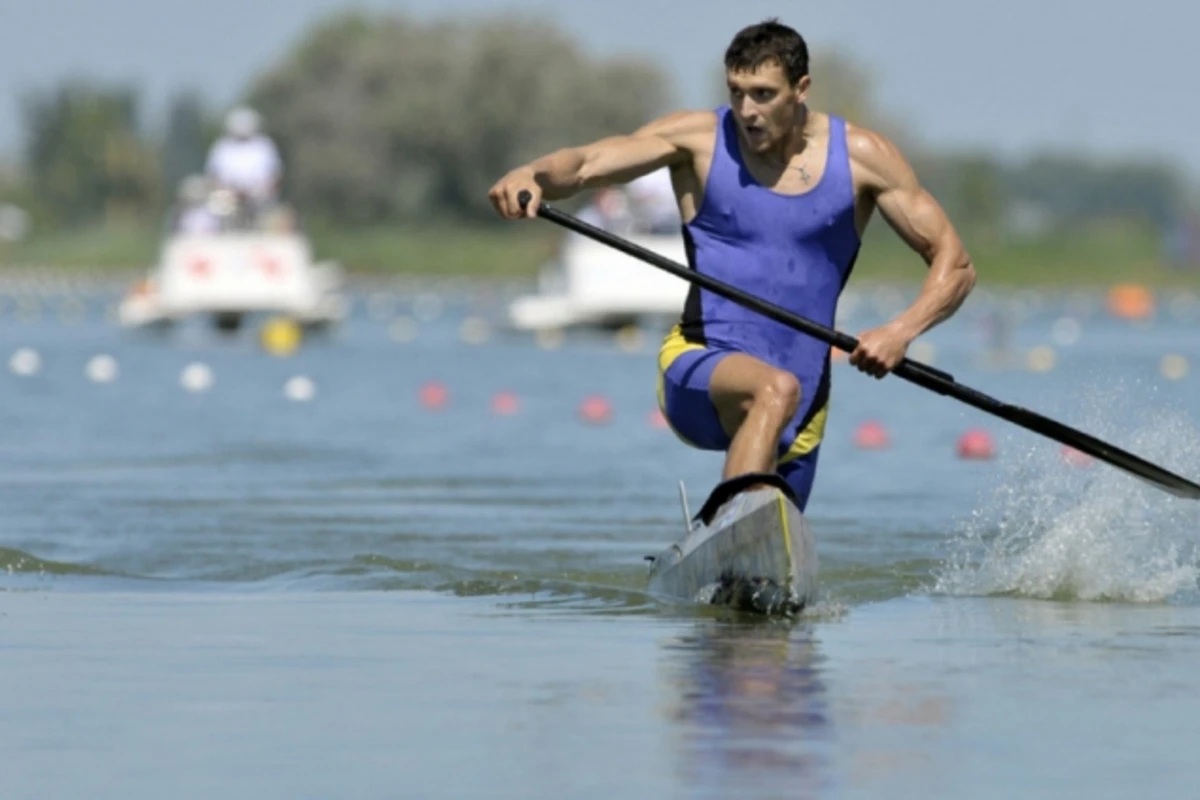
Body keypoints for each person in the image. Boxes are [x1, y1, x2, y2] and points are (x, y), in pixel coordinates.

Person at [488, 19, 976, 511]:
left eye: (763, 94)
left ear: (801, 89)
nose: (746, 111)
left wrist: (900, 332)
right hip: (699, 366)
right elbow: (587, 162)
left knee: (770, 562)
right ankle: (729, 525)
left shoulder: (863, 158)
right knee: (772, 389)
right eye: (737, 92)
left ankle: (729, 543)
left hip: (805, 404)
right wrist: (532, 174)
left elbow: (955, 265)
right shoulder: (696, 140)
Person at [205, 106, 283, 223]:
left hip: (259, 195)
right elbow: (213, 175)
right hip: (228, 196)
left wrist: (260, 190)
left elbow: (275, 174)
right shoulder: (222, 146)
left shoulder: (264, 145)